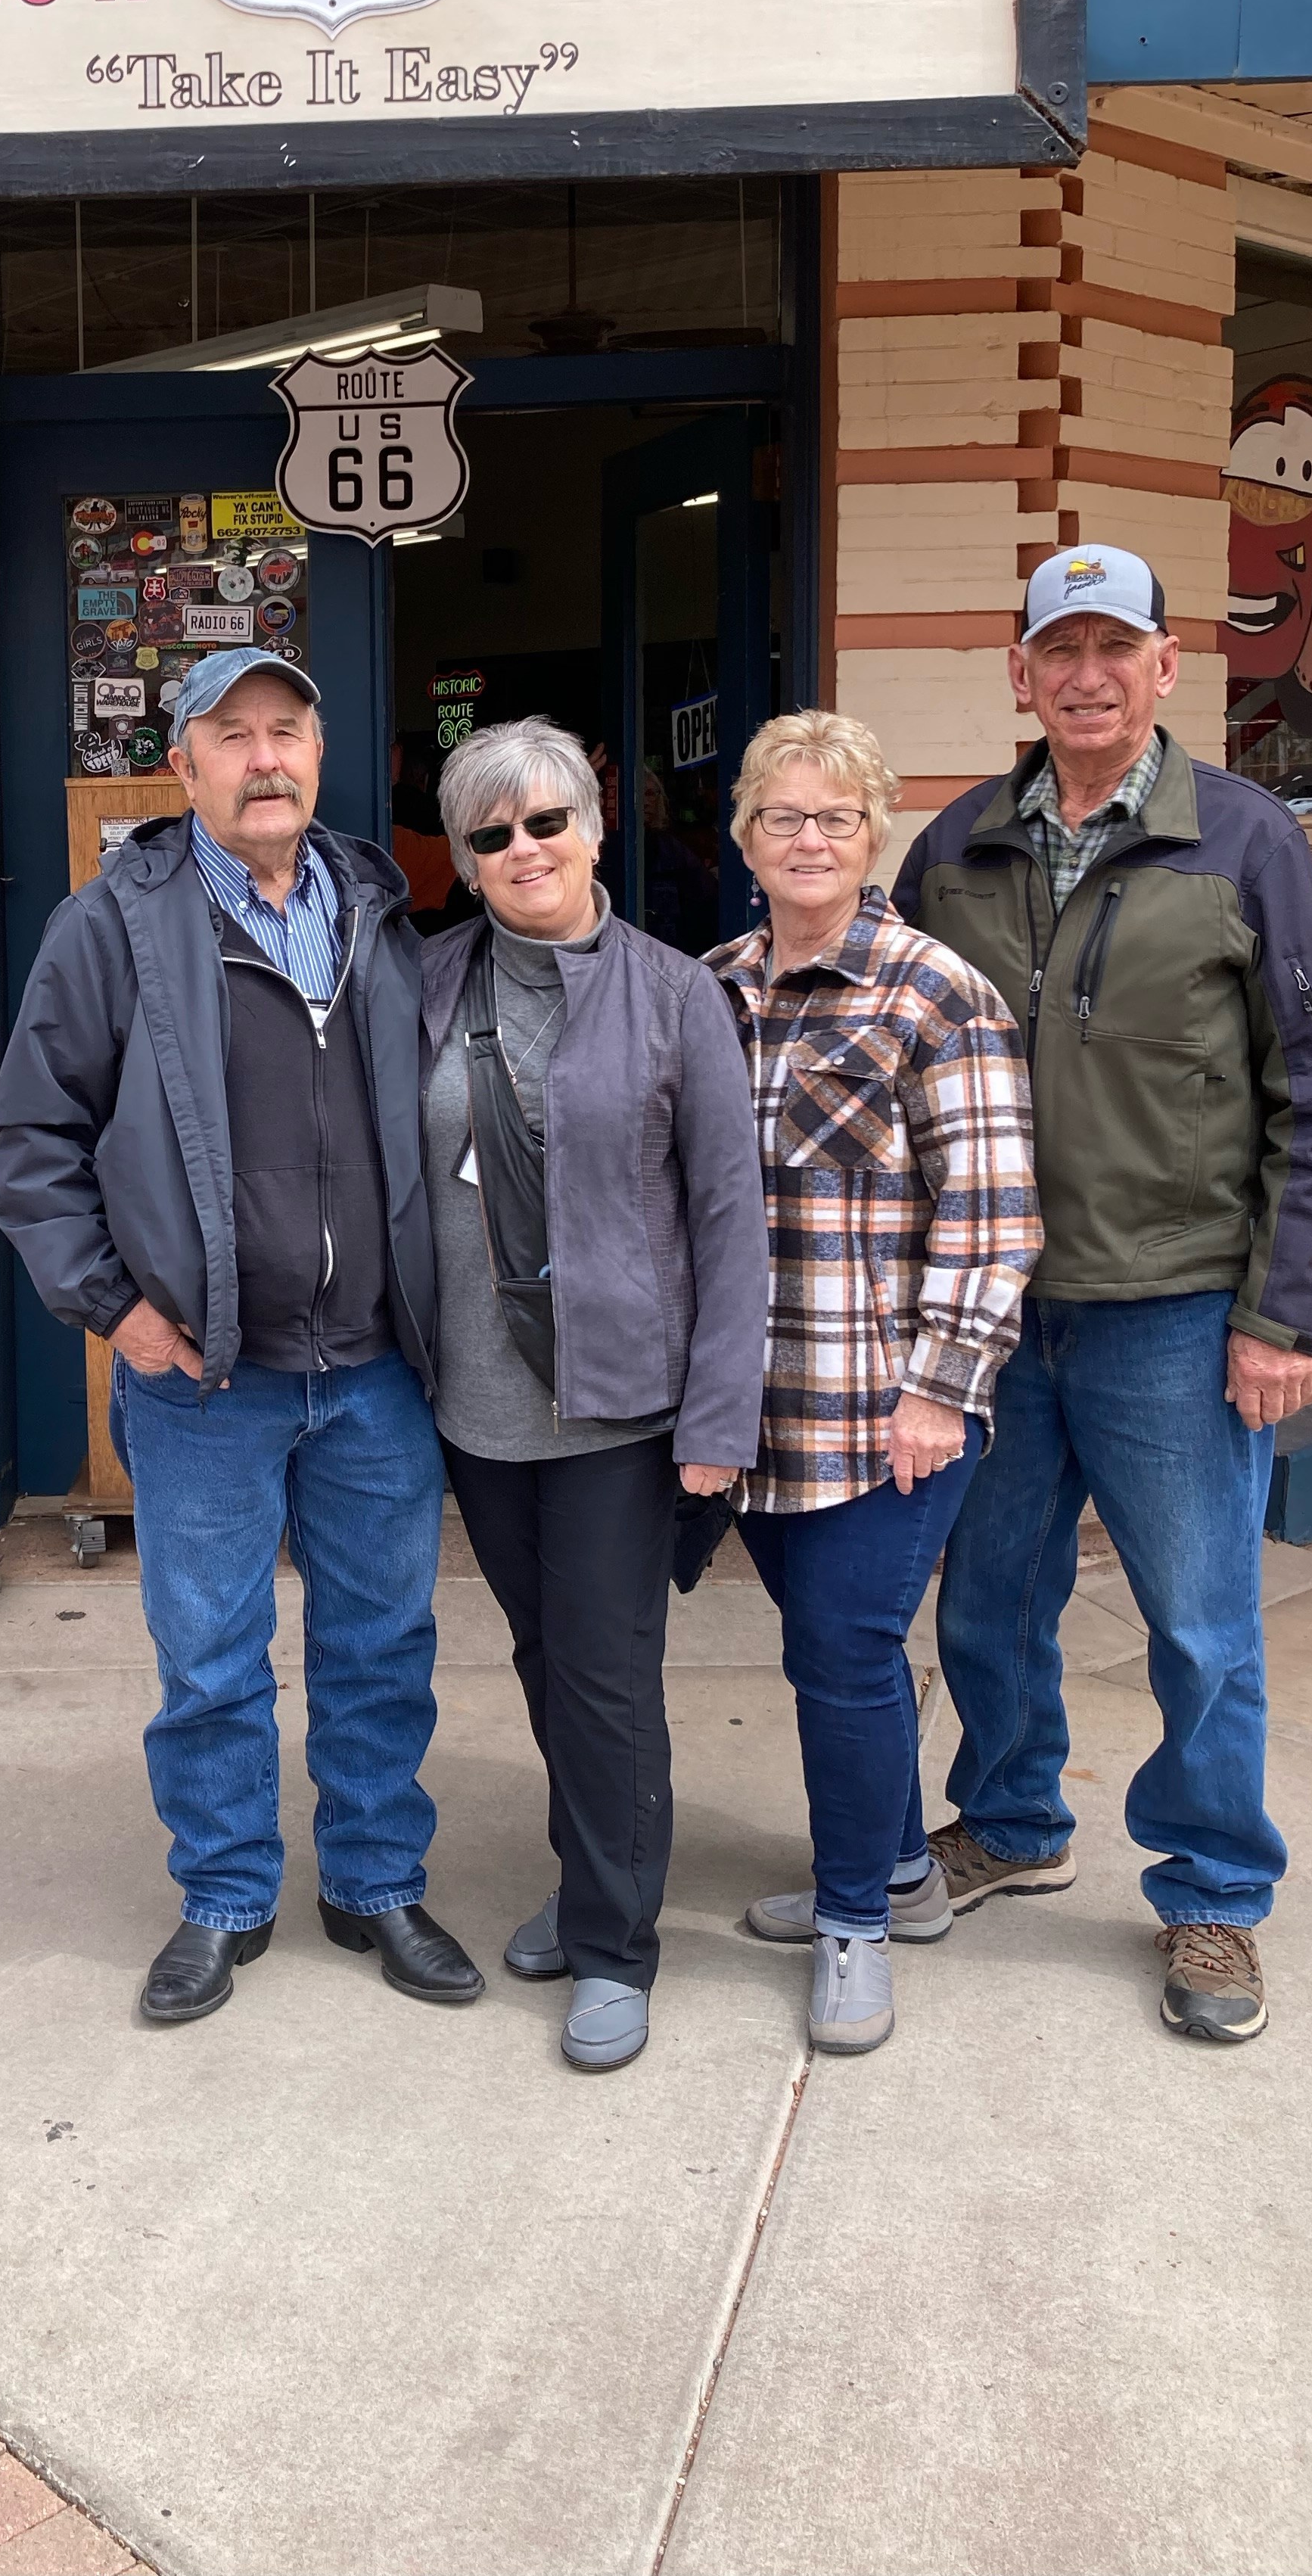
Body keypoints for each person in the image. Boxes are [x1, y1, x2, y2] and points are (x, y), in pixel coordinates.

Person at [896, 543, 1312, 2042]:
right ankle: (1011, 1821)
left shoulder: (1245, 840)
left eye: (1117, 648)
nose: (1088, 677)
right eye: (1061, 651)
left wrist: (1282, 1315)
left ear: (1167, 666)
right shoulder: (955, 847)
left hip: (1172, 1308)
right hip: (993, 1313)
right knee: (989, 1602)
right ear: (1020, 674)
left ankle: (1216, 1892)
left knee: (1201, 1625)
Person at [0, 652, 480, 2027]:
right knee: (209, 1660)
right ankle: (223, 1894)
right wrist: (118, 1310)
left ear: (319, 754)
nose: (266, 758)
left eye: (287, 731)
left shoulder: (383, 909)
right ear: (185, 765)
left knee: (382, 1647)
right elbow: (33, 1140)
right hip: (206, 1376)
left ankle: (376, 1882)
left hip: (375, 1371)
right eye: (233, 735)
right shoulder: (114, 924)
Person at [419, 717, 766, 2072]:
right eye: (492, 833)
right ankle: (587, 1886)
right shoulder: (429, 981)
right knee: (543, 1657)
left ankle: (618, 1945)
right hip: (476, 1404)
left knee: (609, 1678)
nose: (525, 849)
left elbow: (730, 1222)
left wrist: (717, 1424)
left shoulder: (677, 996)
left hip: (621, 1411)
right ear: (465, 858)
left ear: (596, 824)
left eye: (547, 820)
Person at [706, 713, 1041, 2056]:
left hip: (884, 1410)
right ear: (745, 838)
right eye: (783, 816)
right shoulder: (711, 988)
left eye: (836, 818)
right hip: (746, 1410)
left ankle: (854, 1922)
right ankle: (900, 1870)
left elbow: (995, 1215)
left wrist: (941, 1390)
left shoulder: (937, 992)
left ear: (873, 836)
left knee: (843, 1657)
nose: (808, 839)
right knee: (826, 1649)